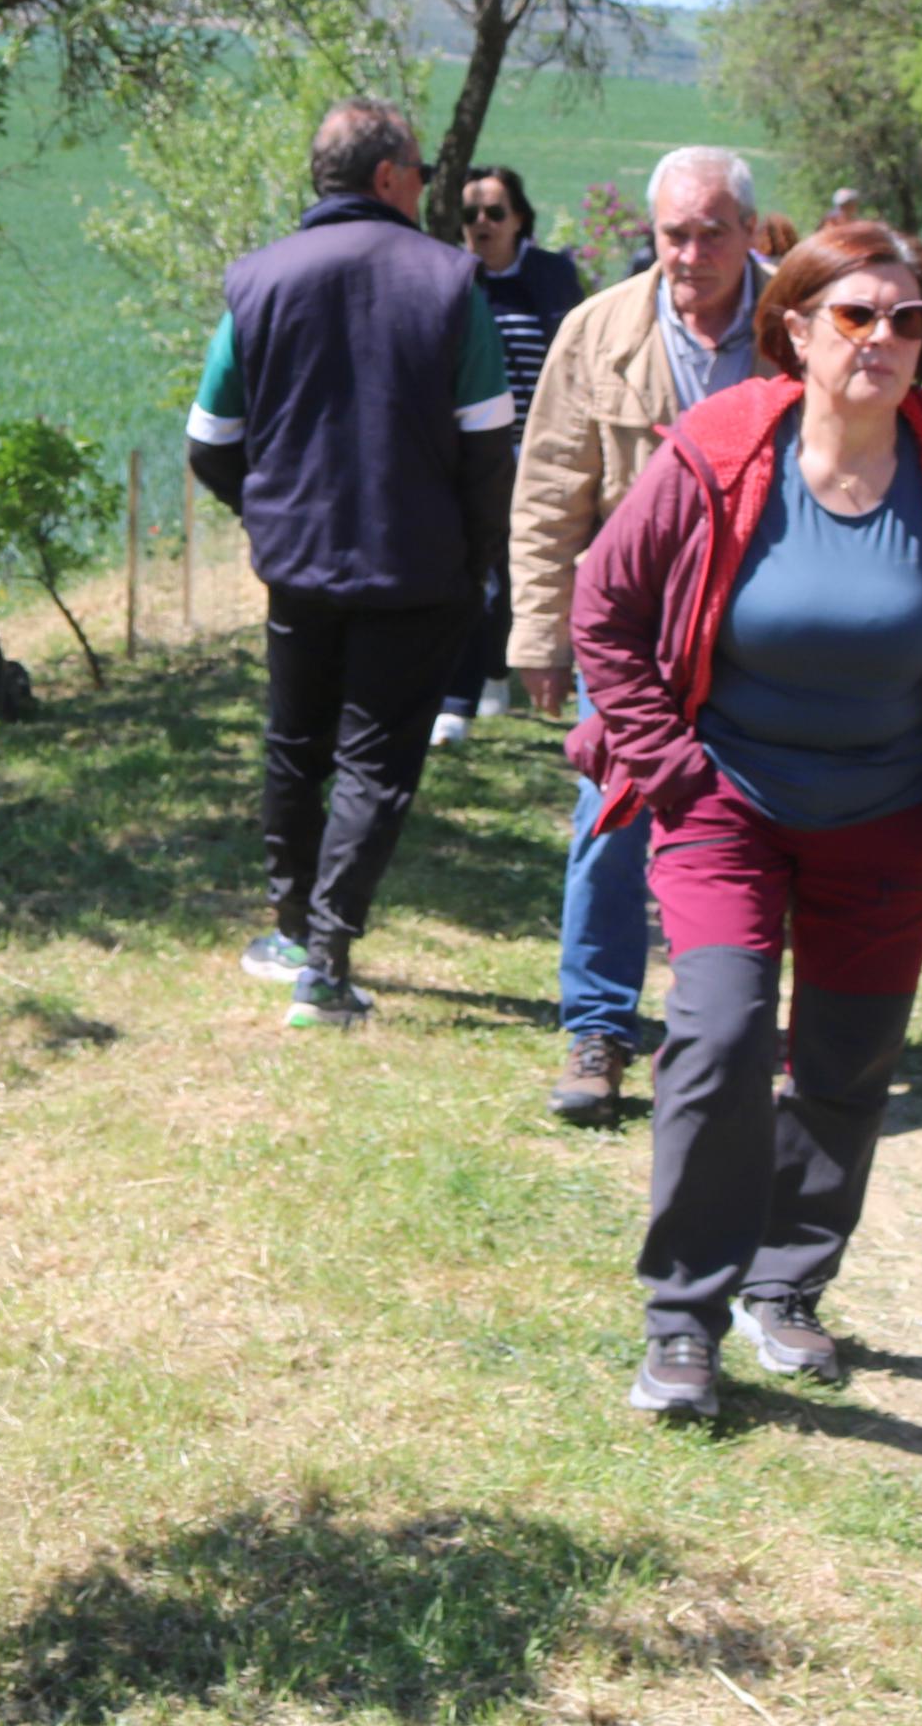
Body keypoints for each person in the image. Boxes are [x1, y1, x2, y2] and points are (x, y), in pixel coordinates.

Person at [568, 221, 922, 1419]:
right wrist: (669, 767)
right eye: (855, 315)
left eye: (909, 319)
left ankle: (786, 1283)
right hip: (726, 803)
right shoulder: (720, 447)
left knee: (845, 1060)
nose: (882, 338)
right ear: (798, 325)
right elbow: (603, 608)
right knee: (715, 1040)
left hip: (890, 817)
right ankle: (681, 1320)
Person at [185, 101, 518, 1030]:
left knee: (296, 743)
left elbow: (211, 441)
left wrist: (271, 510)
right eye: (417, 166)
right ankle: (325, 965)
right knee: (375, 761)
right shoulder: (452, 282)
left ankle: (292, 931)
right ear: (384, 177)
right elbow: (490, 444)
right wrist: (478, 556)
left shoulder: (256, 281)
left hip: (298, 569)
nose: (426, 183)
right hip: (417, 569)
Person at [506, 147, 773, 1121]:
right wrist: (538, 632)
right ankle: (597, 1026)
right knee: (608, 820)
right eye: (672, 234)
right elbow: (545, 494)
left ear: (750, 231)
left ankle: (739, 1026)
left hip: (766, 629)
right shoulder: (595, 332)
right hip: (634, 634)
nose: (690, 254)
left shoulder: (804, 324)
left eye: (710, 232)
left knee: (761, 822)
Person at [433, 167, 584, 748]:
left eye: (495, 213)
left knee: (519, 570)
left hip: (541, 453)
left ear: (520, 219)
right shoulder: (452, 280)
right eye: (471, 214)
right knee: (479, 570)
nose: (481, 225)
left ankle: (496, 667)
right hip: (473, 455)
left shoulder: (552, 278)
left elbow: (575, 360)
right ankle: (459, 698)